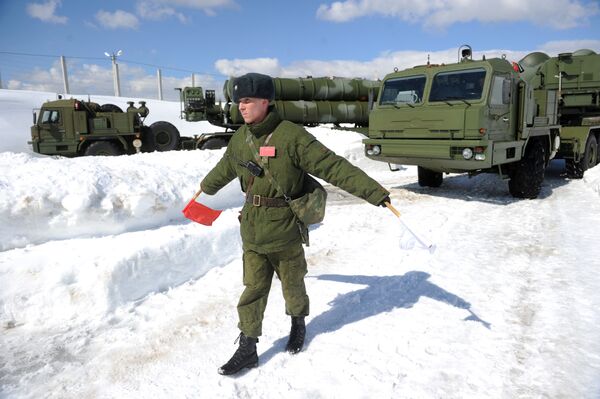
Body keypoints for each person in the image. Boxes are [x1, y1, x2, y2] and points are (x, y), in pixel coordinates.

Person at [200, 73, 390, 376]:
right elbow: (225, 167)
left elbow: (332, 166)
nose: (242, 107)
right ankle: (248, 346)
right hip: (251, 228)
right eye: (239, 102)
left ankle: (298, 323)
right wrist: (205, 187)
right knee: (253, 289)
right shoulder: (240, 138)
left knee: (293, 283)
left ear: (266, 101)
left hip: (285, 229)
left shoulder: (292, 136)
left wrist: (374, 192)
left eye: (248, 101)